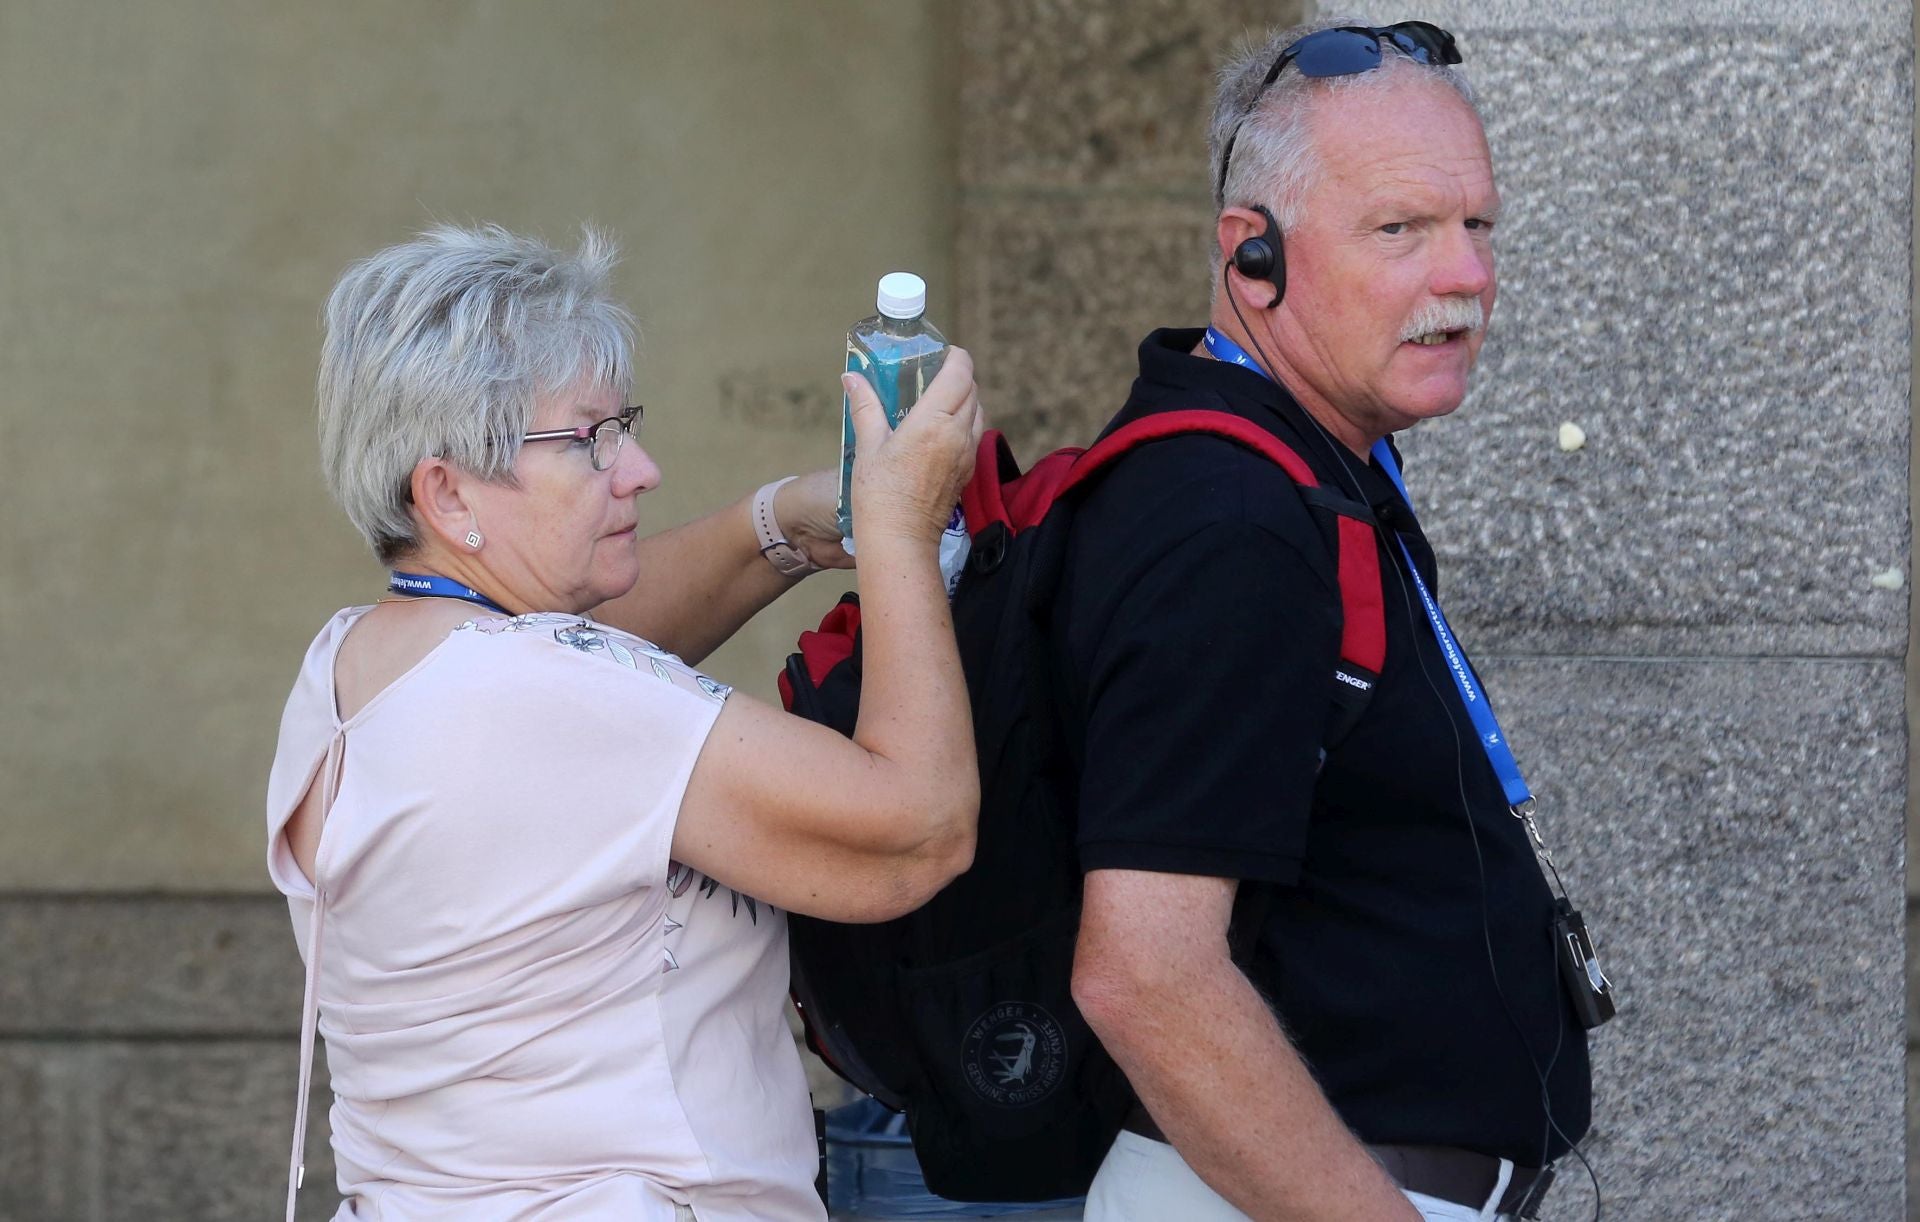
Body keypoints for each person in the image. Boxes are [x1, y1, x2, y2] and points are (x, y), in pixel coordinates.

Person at [265, 224, 983, 1222]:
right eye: (591, 438)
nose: (639, 468)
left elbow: (583, 656)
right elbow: (916, 831)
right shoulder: (549, 700)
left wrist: (774, 527)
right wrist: (902, 530)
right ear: (447, 492)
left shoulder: (359, 660)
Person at [1059, 18, 1593, 1222]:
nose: (1464, 274)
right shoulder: (1230, 517)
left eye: (1478, 225)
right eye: (1400, 229)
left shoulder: (1300, 472)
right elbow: (1147, 972)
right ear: (1255, 258)